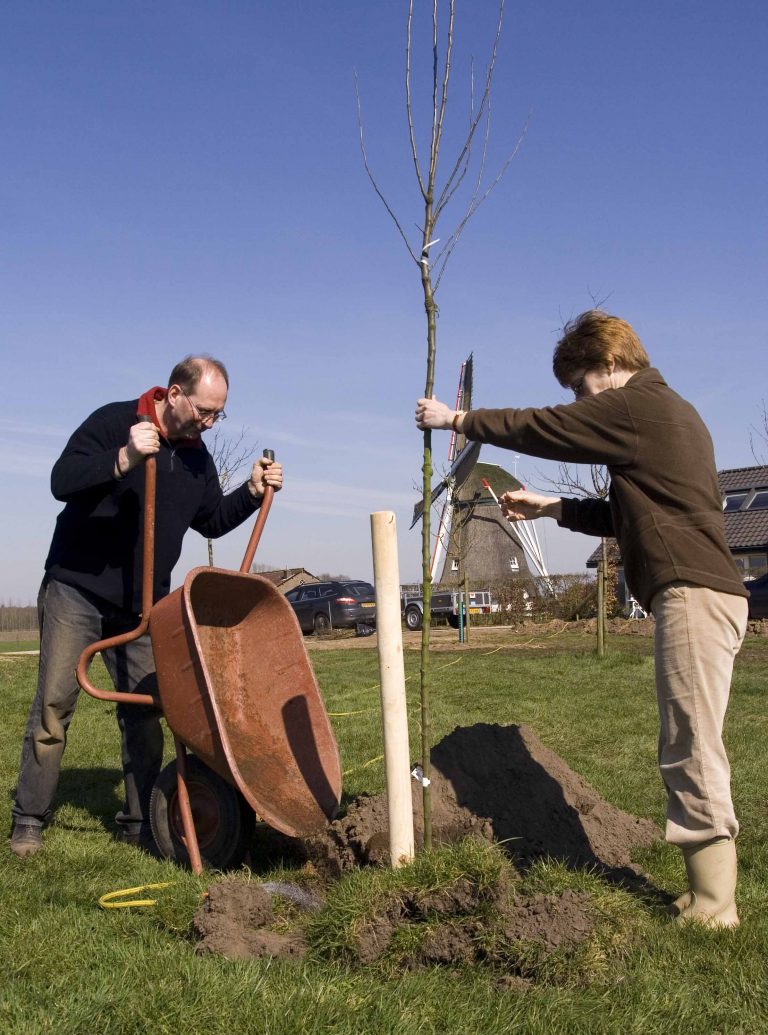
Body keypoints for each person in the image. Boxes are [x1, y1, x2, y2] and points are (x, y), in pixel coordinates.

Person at [415, 310, 749, 927]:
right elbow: (630, 511)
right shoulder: (670, 414)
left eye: (579, 384)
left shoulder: (635, 404)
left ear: (611, 363)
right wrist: (553, 508)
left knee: (691, 745)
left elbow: (547, 429)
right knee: (692, 739)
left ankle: (715, 906)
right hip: (710, 592)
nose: (576, 399)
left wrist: (459, 419)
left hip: (693, 594)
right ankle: (709, 891)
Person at [10, 355, 283, 858]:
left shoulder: (196, 458)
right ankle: (29, 819)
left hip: (142, 605)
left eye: (217, 415)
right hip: (78, 590)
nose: (208, 422)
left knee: (148, 714)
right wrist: (122, 460)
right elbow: (61, 480)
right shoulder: (116, 422)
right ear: (174, 393)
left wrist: (249, 491)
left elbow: (212, 520)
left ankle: (139, 824)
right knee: (54, 707)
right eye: (203, 410)